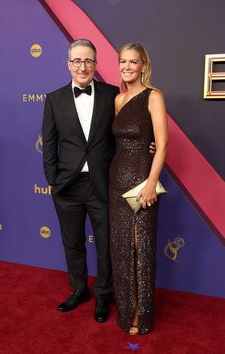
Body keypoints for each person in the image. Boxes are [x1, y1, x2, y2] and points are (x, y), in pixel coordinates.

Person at [42, 39, 119, 323]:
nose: (82, 66)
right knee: (72, 242)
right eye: (77, 61)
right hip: (67, 186)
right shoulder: (54, 99)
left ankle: (102, 295)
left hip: (102, 184)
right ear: (68, 64)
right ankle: (79, 289)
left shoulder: (113, 95)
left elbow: (124, 136)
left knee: (105, 244)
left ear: (96, 64)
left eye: (88, 61)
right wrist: (53, 179)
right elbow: (48, 144)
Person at [109, 42, 168, 335]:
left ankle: (141, 315)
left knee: (140, 247)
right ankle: (125, 311)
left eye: (133, 62)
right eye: (123, 62)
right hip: (116, 180)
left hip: (142, 181)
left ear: (144, 65)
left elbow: (163, 144)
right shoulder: (118, 100)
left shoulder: (153, 96)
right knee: (121, 248)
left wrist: (149, 185)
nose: (127, 67)